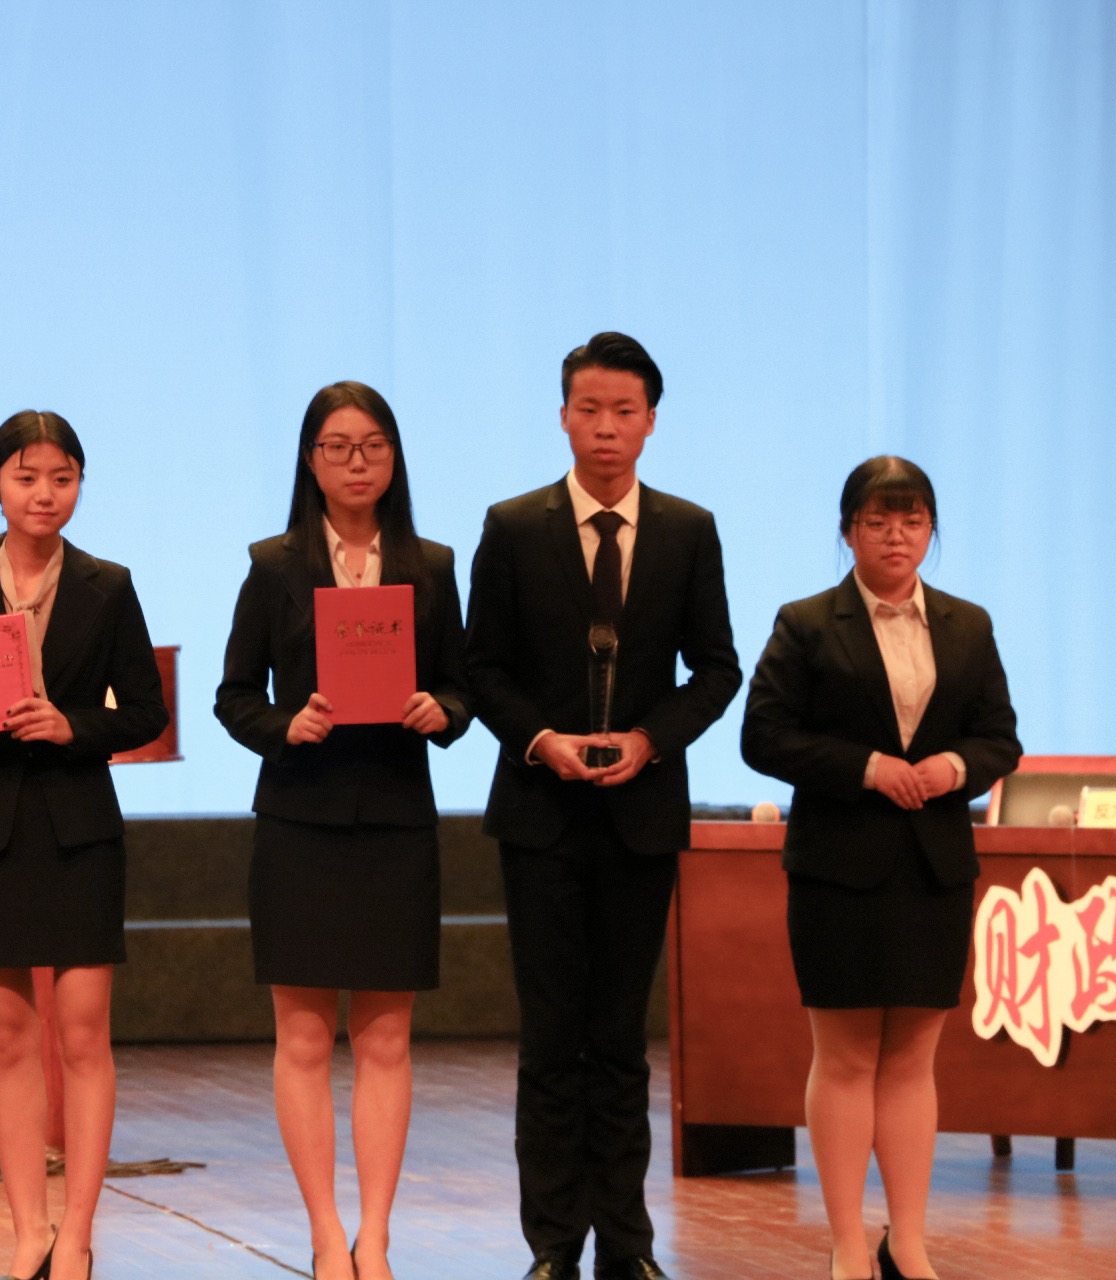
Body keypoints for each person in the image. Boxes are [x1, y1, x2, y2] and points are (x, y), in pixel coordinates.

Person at [465, 333, 741, 1280]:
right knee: (551, 1040)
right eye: (590, 410)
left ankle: (628, 1245)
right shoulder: (513, 526)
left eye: (625, 411)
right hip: (540, 814)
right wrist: (540, 739)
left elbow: (717, 669)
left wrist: (650, 741)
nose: (607, 428)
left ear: (651, 421)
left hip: (639, 814)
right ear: (563, 417)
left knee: (620, 1040)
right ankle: (552, 1245)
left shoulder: (688, 530)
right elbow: (482, 667)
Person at [216, 382, 473, 1280]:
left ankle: (379, 1236)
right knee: (301, 1039)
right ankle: (327, 1234)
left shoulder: (431, 565)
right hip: (301, 818)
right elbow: (234, 696)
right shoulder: (272, 565)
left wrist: (442, 711)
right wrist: (285, 724)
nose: (356, 462)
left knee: (387, 1040)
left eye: (372, 446)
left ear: (394, 458)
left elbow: (463, 687)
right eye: (337, 446)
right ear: (310, 460)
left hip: (396, 819)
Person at [740, 457, 1020, 1280]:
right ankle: (848, 1245)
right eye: (877, 521)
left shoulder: (968, 624)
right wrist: (866, 767)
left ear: (931, 529)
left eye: (912, 520)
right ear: (848, 531)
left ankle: (909, 1240)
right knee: (847, 1058)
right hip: (838, 869)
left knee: (912, 1062)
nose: (896, 537)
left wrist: (955, 768)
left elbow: (1000, 738)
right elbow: (764, 737)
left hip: (934, 869)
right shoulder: (806, 623)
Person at [0, 411, 167, 1280]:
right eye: (26, 478)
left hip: (79, 828)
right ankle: (28, 1232)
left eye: (62, 478)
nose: (44, 494)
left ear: (80, 484)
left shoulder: (107, 585)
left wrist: (72, 725)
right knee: (8, 1036)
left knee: (83, 1034)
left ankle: (79, 1233)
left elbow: (146, 709)